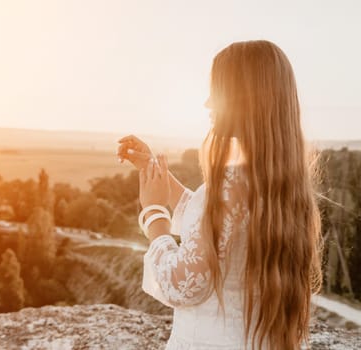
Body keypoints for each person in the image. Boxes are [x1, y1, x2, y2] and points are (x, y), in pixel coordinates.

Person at [116, 40, 323, 350]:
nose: (207, 104)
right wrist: (155, 172)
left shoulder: (231, 183)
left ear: (244, 100)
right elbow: (212, 225)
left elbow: (182, 285)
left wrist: (154, 213)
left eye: (216, 91)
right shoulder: (278, 181)